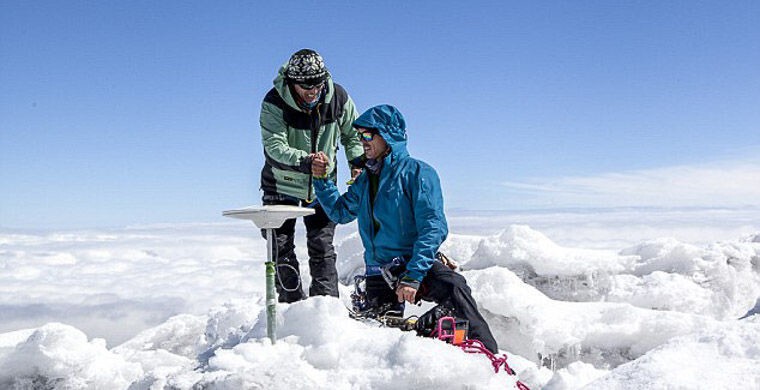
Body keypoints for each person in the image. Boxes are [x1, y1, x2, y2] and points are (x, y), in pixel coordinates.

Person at [311, 104, 499, 353]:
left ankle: (487, 355)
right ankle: (420, 344)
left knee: (455, 289)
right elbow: (341, 212)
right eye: (360, 136)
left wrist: (413, 275)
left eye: (368, 135)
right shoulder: (367, 179)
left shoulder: (418, 173)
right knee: (378, 336)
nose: (362, 141)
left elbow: (433, 227)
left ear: (388, 136)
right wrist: (322, 180)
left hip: (411, 264)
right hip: (378, 272)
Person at [259, 49, 364, 303]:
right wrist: (306, 162)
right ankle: (290, 305)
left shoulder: (337, 97)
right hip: (280, 185)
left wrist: (358, 162)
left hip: (321, 186)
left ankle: (325, 309)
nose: (313, 91)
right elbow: (274, 147)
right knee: (281, 248)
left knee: (323, 247)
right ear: (292, 82)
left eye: (317, 84)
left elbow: (352, 134)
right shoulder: (274, 102)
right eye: (306, 86)